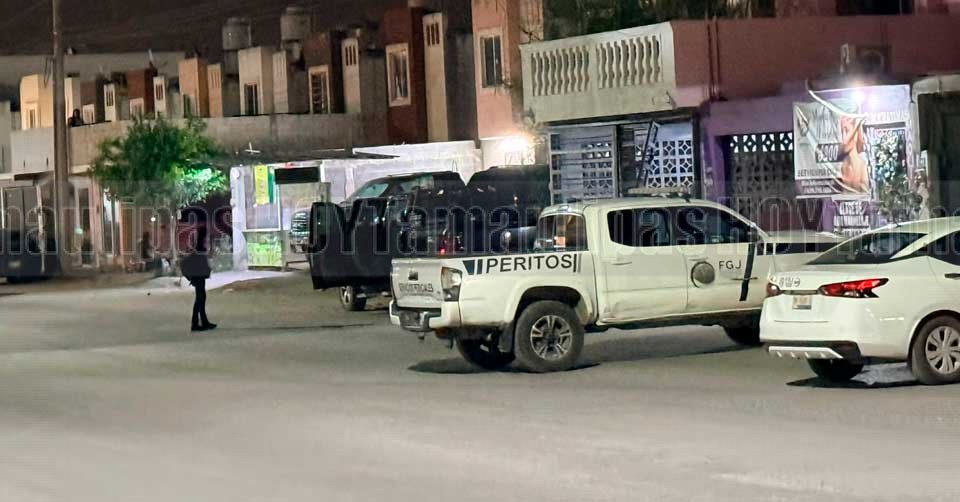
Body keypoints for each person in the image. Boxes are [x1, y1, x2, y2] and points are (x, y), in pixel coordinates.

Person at [181, 229, 216, 332]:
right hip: (199, 277)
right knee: (200, 299)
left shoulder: (200, 248)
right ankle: (199, 323)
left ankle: (198, 323)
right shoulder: (199, 249)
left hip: (199, 277)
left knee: (200, 299)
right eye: (206, 238)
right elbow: (203, 259)